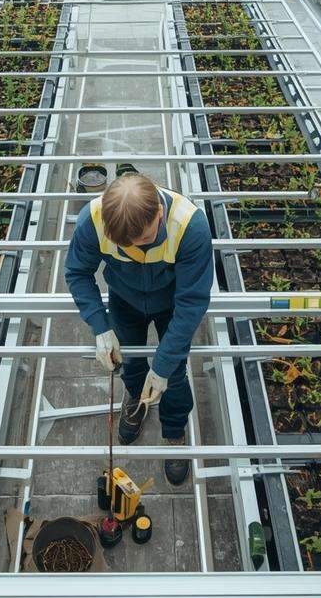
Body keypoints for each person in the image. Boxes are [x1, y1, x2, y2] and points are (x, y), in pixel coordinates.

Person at [65, 172, 213, 485]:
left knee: (172, 373)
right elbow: (78, 273)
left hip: (172, 302)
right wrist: (100, 327)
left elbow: (192, 304)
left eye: (143, 239)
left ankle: (173, 430)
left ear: (159, 213)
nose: (134, 246)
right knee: (129, 361)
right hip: (124, 299)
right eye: (125, 243)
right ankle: (136, 398)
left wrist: (161, 366)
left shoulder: (190, 227)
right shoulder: (92, 220)